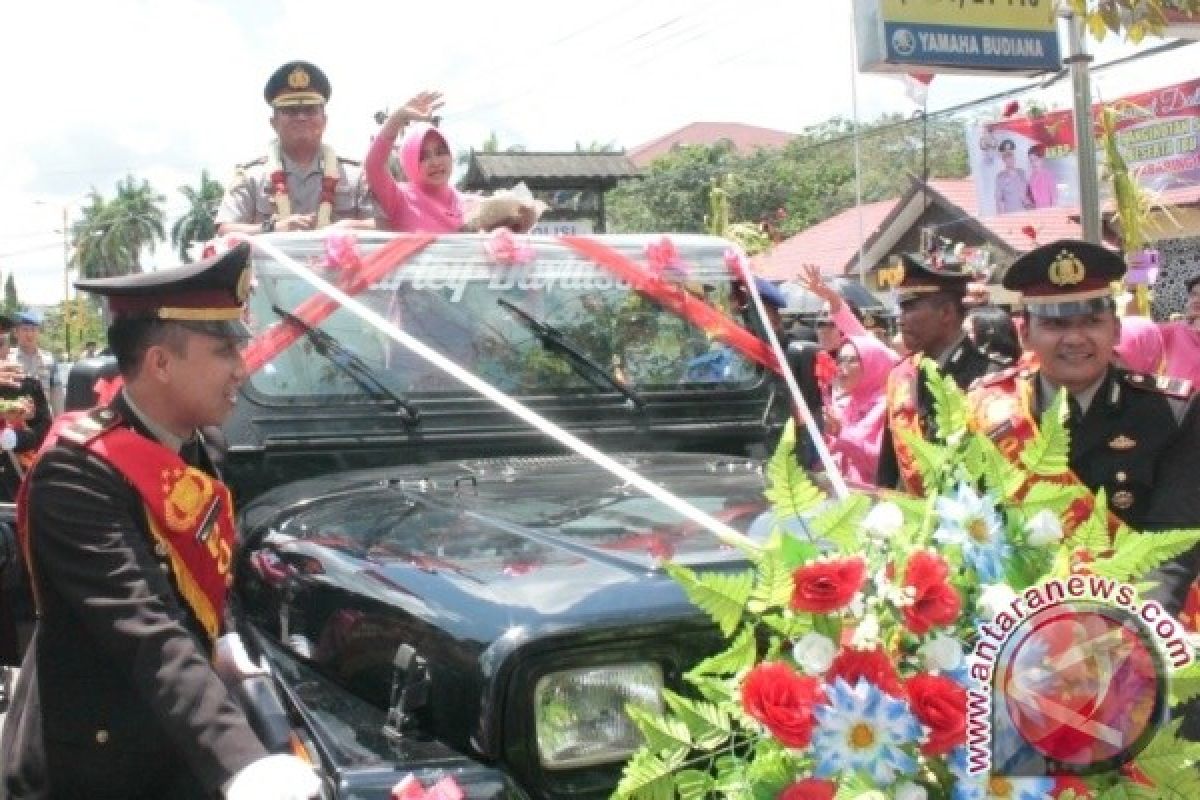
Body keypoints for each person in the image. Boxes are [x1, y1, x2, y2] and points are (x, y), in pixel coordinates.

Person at [1, 245, 321, 799]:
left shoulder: (200, 444)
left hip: (175, 739)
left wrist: (227, 642)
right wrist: (245, 762)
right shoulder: (74, 475)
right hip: (95, 766)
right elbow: (149, 632)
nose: (241, 369)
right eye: (224, 351)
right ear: (161, 363)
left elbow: (205, 583)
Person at [968, 239, 1200, 619]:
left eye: (1092, 321)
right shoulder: (987, 410)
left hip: (1135, 624)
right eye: (1056, 323)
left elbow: (1172, 547)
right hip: (1017, 630)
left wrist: (1125, 633)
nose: (1075, 338)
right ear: (1025, 334)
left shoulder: (1171, 412)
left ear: (1116, 330)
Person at [876, 251, 1009, 491]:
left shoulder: (990, 377)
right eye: (901, 309)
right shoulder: (903, 376)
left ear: (946, 313)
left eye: (910, 308)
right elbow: (889, 470)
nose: (901, 320)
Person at [216, 60, 377, 235]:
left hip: (341, 262)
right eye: (290, 110)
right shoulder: (251, 177)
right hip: (270, 261)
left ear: (325, 120)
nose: (301, 117)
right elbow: (225, 229)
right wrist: (272, 227)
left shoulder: (355, 176)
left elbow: (384, 225)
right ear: (273, 123)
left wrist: (348, 227)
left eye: (310, 110)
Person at [366, 91, 468, 233]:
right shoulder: (400, 199)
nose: (435, 162)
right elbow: (374, 166)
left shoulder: (467, 204)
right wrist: (398, 117)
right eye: (423, 157)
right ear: (409, 161)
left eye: (440, 152)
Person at [823, 334, 899, 486]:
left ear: (874, 365)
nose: (841, 367)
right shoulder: (852, 402)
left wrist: (840, 433)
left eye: (851, 360)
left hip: (875, 498)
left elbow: (882, 462)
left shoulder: (887, 406)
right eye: (840, 360)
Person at [9, 312, 59, 416]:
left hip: (44, 418)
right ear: (16, 333)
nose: (29, 334)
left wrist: (59, 420)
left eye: (33, 330)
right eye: (25, 329)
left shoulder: (48, 359)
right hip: (17, 419)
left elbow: (56, 392)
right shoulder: (8, 359)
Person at [994, 138, 1032, 213]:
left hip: (1025, 213)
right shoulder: (1000, 177)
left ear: (1014, 157)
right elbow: (998, 200)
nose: (1010, 159)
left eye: (1011, 156)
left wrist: (1030, 208)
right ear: (1003, 159)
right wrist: (1001, 217)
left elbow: (1028, 194)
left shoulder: (1022, 173)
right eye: (1007, 157)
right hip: (1011, 215)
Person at [1026, 144, 1056, 209]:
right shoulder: (1031, 178)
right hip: (1036, 214)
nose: (1033, 163)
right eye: (1031, 161)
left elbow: (1054, 198)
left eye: (1036, 160)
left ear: (1042, 159)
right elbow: (1031, 199)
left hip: (1048, 213)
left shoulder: (1048, 175)